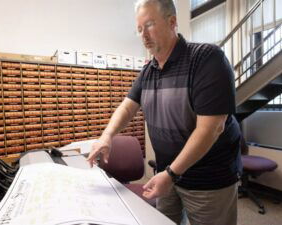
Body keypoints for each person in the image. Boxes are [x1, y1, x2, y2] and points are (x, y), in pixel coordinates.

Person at [87, 0, 241, 225]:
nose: (143, 35)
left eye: (149, 25)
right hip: (165, 175)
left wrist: (172, 174)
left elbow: (211, 128)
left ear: (172, 22)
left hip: (208, 181)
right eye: (139, 29)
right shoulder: (149, 71)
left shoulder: (206, 58)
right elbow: (128, 106)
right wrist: (107, 136)